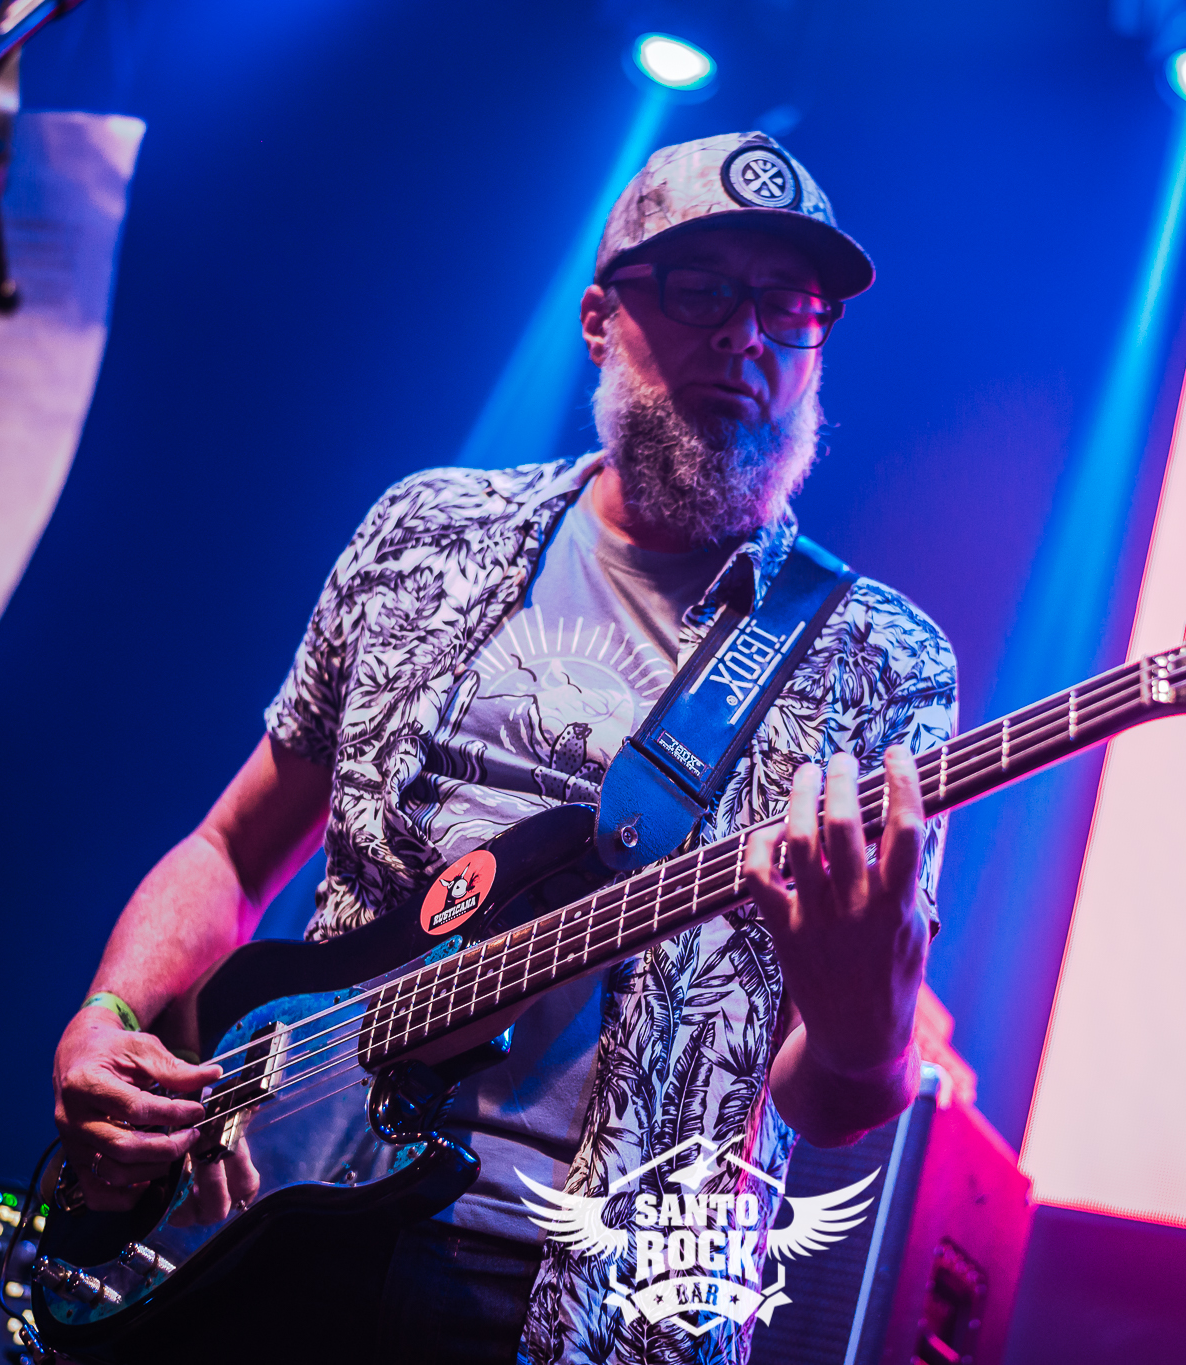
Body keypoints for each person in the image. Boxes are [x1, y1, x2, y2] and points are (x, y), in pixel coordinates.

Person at [49, 132, 957, 1365]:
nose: (746, 339)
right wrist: (110, 1014)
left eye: (788, 309)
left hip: (585, 1296)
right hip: (268, 1202)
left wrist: (863, 1027)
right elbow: (230, 846)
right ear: (597, 318)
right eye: (700, 290)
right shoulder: (426, 532)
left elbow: (832, 1101)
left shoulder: (878, 662)